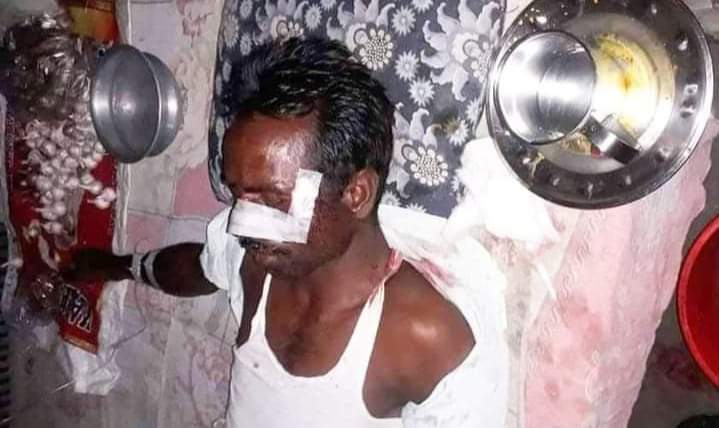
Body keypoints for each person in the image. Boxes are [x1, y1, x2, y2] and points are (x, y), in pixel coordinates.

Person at [65, 37, 479, 427]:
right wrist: (116, 266)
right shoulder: (254, 256)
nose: (242, 223)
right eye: (237, 194)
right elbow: (198, 268)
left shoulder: (425, 338)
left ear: (356, 194)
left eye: (274, 198)